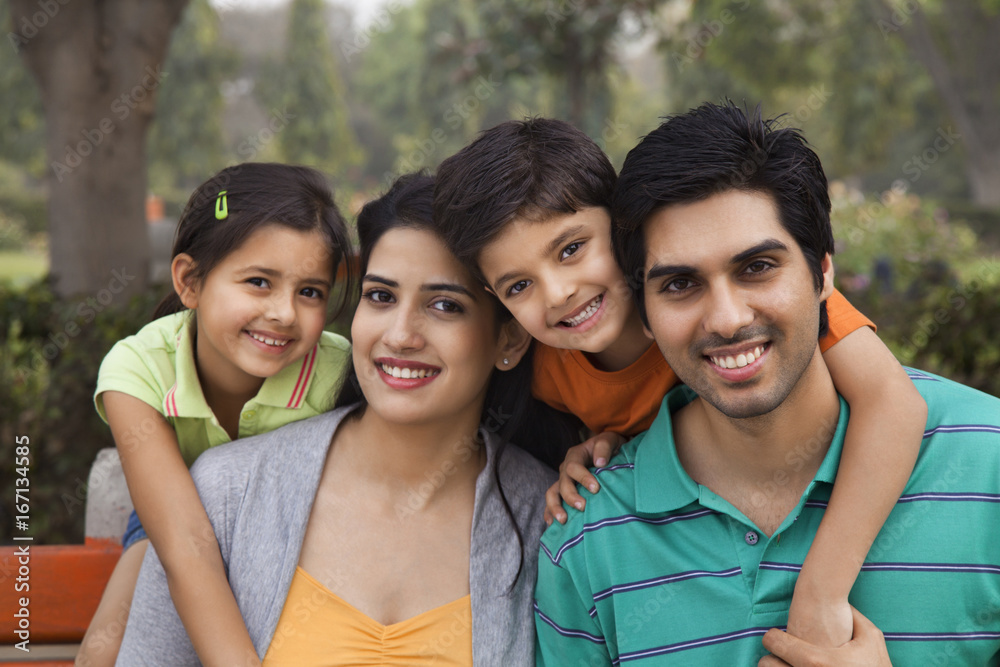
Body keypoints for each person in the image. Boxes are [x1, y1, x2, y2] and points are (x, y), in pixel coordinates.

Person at [533, 101, 1000, 665]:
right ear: (646, 315)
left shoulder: (987, 464)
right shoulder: (584, 543)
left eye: (757, 267)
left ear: (823, 272)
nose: (727, 319)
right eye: (680, 284)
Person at [433, 117, 927, 646]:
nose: (556, 293)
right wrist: (586, 455)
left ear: (624, 228)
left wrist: (822, 592)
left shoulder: (756, 301)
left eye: (572, 249)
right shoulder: (544, 374)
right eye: (519, 285)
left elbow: (893, 402)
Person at [115, 173, 558, 666]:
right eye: (381, 297)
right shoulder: (228, 494)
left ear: (510, 339)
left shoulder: (550, 521)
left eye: (444, 305)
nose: (400, 335)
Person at [78, 163, 355, 667]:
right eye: (258, 281)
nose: (285, 313)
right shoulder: (138, 369)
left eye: (309, 291)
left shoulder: (340, 373)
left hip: (293, 537)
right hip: (175, 520)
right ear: (190, 281)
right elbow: (185, 546)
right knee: (104, 650)